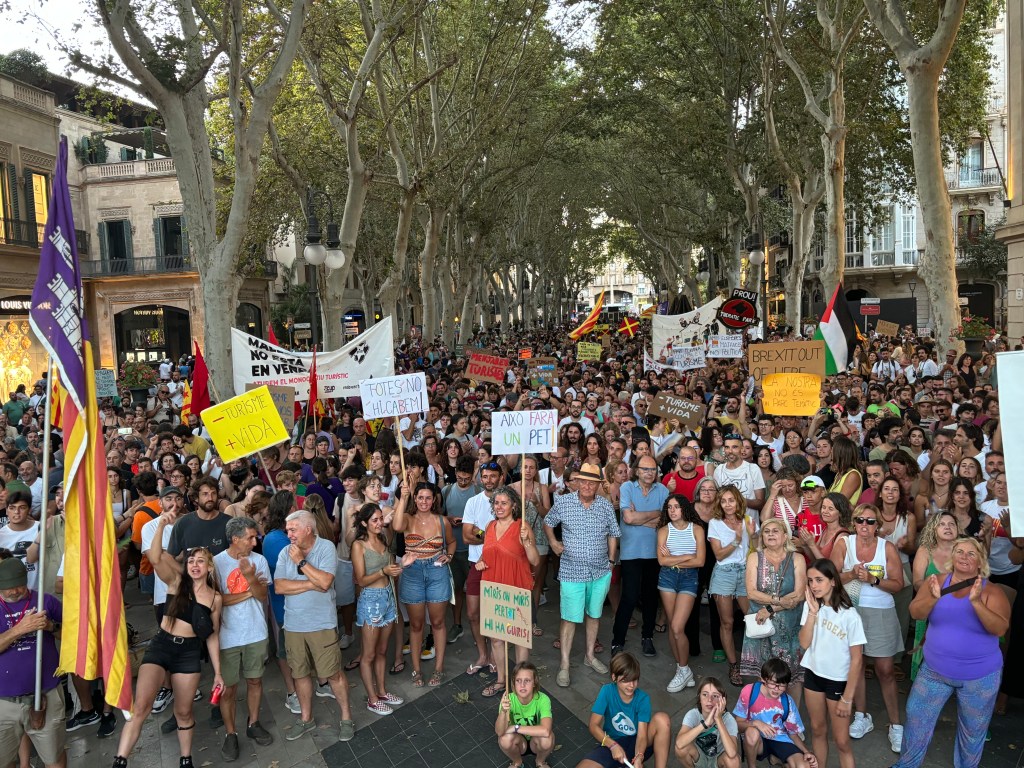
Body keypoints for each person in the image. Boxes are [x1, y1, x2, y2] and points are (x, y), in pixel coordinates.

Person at [113, 509, 223, 768]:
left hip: (188, 653)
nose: (195, 565)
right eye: (191, 561)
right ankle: (120, 760)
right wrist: (162, 524)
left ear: (208, 567)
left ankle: (186, 760)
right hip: (161, 646)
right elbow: (154, 556)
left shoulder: (215, 598)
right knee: (141, 707)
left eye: (200, 561)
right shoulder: (176, 582)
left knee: (184, 711)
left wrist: (218, 673)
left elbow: (212, 636)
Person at [894, 537, 1010, 768]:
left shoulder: (992, 592)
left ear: (980, 562)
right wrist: (933, 599)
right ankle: (906, 765)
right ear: (952, 557)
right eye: (959, 552)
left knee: (973, 732)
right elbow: (915, 612)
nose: (964, 557)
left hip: (980, 678)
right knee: (916, 717)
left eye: (971, 553)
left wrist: (976, 602)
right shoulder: (935, 581)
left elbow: (999, 628)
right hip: (934, 671)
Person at [273, 510, 355, 744]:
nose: (288, 534)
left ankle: (346, 717)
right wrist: (313, 583)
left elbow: (327, 582)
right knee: (299, 673)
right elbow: (279, 587)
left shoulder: (326, 547)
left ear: (308, 529)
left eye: (293, 529)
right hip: (293, 624)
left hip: (322, 624)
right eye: (287, 530)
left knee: (332, 673)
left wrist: (300, 561)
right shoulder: (283, 552)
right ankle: (306, 718)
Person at [830, 503, 905, 750]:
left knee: (885, 669)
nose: (865, 525)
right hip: (851, 612)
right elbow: (830, 578)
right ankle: (862, 716)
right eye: (860, 520)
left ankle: (896, 724)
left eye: (871, 521)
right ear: (854, 523)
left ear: (877, 525)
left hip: (881, 611)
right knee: (857, 665)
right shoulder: (844, 544)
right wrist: (851, 575)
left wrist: (873, 579)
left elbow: (898, 584)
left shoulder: (887, 548)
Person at [544, 462, 620, 688]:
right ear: (577, 482)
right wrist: (553, 541)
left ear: (598, 485)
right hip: (571, 571)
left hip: (600, 570)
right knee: (569, 618)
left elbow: (613, 534)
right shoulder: (565, 502)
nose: (587, 485)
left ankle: (589, 656)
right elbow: (548, 523)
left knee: (594, 615)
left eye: (592, 482)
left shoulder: (605, 506)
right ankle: (565, 664)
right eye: (584, 481)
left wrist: (611, 561)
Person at [212, 517, 273, 760]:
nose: (255, 540)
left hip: (256, 632)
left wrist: (249, 577)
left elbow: (262, 596)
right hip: (227, 636)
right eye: (250, 537)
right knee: (228, 689)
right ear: (235, 539)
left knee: (255, 681)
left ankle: (254, 723)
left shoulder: (259, 561)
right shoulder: (216, 563)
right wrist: (249, 590)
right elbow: (218, 600)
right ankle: (230, 733)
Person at [0, 557, 66, 768]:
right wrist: (20, 628)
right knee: (4, 760)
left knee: (53, 756)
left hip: (46, 693)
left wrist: (50, 627)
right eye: (6, 589)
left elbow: (74, 638)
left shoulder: (45, 602)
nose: (13, 592)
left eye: (18, 586)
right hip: (4, 702)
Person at [799, 559, 865, 768]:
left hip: (837, 682)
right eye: (810, 581)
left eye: (819, 580)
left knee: (842, 741)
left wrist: (848, 698)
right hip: (813, 675)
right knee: (817, 730)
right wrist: (812, 613)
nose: (814, 586)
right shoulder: (811, 607)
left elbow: (857, 660)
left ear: (833, 581)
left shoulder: (850, 615)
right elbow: (804, 643)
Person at [477, 486, 539, 697]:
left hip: (516, 588)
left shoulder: (522, 526)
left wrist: (527, 541)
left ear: (514, 505)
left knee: (520, 638)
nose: (500, 507)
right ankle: (502, 680)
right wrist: (480, 562)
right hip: (493, 588)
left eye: (504, 503)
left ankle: (522, 683)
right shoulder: (489, 526)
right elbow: (488, 554)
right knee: (496, 639)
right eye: (496, 503)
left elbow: (535, 561)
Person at [391, 480, 454, 687]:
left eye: (428, 497)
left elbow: (452, 541)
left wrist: (450, 555)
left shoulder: (442, 521)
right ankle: (416, 670)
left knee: (437, 623)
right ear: (415, 499)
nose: (424, 501)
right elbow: (396, 526)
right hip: (413, 573)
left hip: (437, 572)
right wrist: (404, 496)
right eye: (420, 498)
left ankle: (439, 668)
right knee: (416, 625)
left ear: (434, 499)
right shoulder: (408, 519)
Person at [741, 519, 806, 697]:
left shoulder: (797, 559)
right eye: (766, 531)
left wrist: (770, 609)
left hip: (789, 629)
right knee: (760, 676)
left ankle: (791, 719)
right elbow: (751, 593)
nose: (770, 534)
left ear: (785, 536)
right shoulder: (755, 557)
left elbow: (799, 595)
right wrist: (779, 600)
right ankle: (762, 715)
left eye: (775, 531)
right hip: (760, 627)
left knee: (790, 676)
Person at [612, 455, 669, 658]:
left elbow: (664, 521)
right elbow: (627, 517)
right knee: (629, 596)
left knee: (650, 597)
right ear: (636, 470)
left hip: (654, 553)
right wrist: (653, 515)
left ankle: (648, 637)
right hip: (631, 552)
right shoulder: (627, 487)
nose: (649, 473)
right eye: (645, 469)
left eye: (653, 469)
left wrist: (639, 519)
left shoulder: (663, 491)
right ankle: (617, 640)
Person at [350, 503, 404, 715]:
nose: (380, 523)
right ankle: (372, 699)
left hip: (388, 597)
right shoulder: (358, 545)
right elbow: (361, 580)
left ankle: (381, 691)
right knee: (369, 654)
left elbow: (391, 568)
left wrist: (400, 566)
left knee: (382, 650)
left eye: (381, 519)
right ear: (364, 523)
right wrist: (383, 570)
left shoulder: (384, 538)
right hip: (370, 600)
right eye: (375, 520)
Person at [576, 651, 672, 768]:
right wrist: (612, 746)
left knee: (662, 719)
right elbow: (593, 725)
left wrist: (639, 756)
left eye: (635, 679)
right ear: (614, 677)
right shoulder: (606, 691)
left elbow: (642, 736)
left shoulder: (643, 699)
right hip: (613, 742)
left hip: (637, 743)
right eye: (626, 680)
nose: (632, 685)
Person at [656, 494, 705, 693]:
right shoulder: (663, 530)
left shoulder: (697, 529)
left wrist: (674, 558)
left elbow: (700, 561)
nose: (673, 510)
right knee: (671, 625)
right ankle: (682, 669)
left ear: (684, 508)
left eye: (676, 506)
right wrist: (687, 556)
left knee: (677, 626)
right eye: (669, 507)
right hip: (667, 577)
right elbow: (661, 561)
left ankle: (684, 670)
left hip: (689, 578)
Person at [708, 485, 755, 686]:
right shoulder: (715, 523)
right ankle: (734, 665)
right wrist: (737, 539)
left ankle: (752, 661)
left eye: (731, 500)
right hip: (724, 573)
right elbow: (718, 554)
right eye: (724, 500)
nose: (727, 504)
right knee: (726, 622)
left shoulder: (748, 520)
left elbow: (758, 547)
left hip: (745, 572)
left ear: (738, 501)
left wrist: (751, 535)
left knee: (752, 620)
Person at [732, 658, 814, 768]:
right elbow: (737, 725)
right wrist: (755, 723)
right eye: (773, 683)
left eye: (782, 685)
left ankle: (775, 757)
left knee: (803, 765)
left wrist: (806, 751)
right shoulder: (749, 691)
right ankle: (752, 766)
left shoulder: (787, 701)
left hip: (779, 738)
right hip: (757, 741)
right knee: (752, 732)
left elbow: (793, 734)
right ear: (763, 679)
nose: (777, 689)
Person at [495, 661, 555, 768]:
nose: (522, 685)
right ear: (513, 683)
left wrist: (515, 727)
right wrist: (503, 711)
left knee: (548, 738)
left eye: (527, 680)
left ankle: (540, 762)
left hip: (536, 740)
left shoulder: (543, 699)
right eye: (518, 681)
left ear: (534, 682)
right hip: (517, 741)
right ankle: (517, 762)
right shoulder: (508, 699)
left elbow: (545, 731)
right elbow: (499, 732)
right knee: (504, 739)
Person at [674, 677, 740, 768]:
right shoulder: (693, 714)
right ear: (699, 697)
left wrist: (719, 719)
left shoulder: (728, 719)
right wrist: (705, 724)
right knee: (681, 749)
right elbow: (679, 743)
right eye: (705, 694)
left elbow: (732, 754)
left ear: (723, 701)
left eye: (715, 696)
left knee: (734, 761)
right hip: (699, 756)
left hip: (718, 759)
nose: (709, 699)